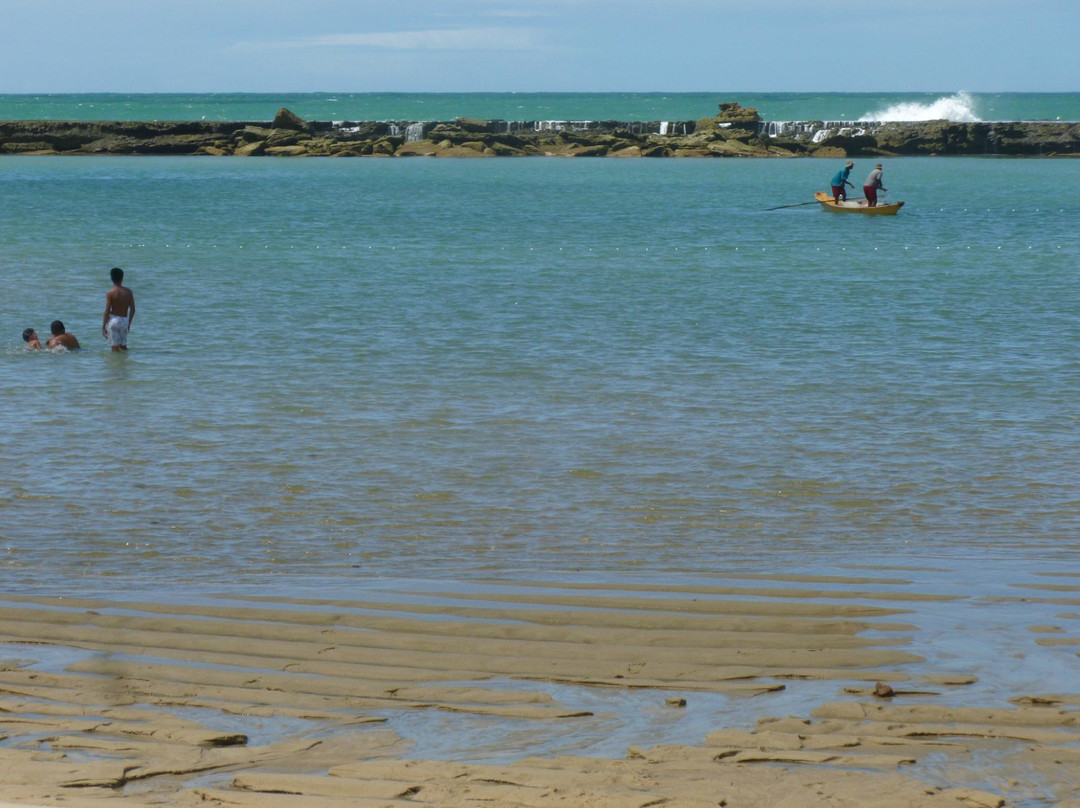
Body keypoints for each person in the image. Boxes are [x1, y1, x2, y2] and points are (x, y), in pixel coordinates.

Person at [102, 266, 135, 351]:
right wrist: (129, 322)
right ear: (122, 278)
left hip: (114, 321)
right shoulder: (128, 292)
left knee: (114, 349)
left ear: (111, 278)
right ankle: (125, 362)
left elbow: (107, 311)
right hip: (124, 321)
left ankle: (115, 364)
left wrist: (103, 326)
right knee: (123, 347)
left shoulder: (110, 293)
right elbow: (133, 309)